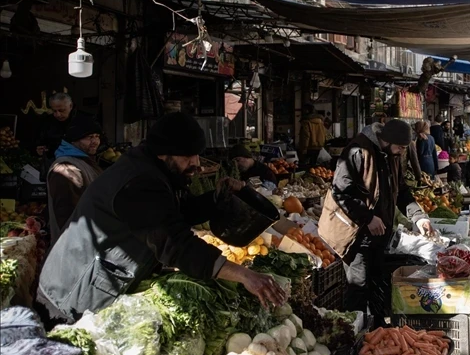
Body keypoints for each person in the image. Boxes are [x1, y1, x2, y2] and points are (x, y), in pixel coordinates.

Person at [37, 112, 285, 324]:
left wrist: (217, 198)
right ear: (164, 153)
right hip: (72, 294)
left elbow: (179, 212)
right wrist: (243, 275)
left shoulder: (156, 171)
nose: (196, 164)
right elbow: (174, 243)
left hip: (96, 283)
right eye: (188, 156)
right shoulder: (138, 182)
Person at [318, 120, 433, 321]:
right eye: (400, 147)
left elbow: (402, 190)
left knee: (378, 286)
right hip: (357, 235)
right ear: (386, 140)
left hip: (380, 236)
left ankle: (378, 332)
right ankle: (354, 338)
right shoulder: (357, 151)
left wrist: (419, 217)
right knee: (358, 287)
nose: (401, 152)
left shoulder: (391, 154)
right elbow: (340, 193)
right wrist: (368, 217)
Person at [47, 116, 104, 245]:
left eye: (97, 136)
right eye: (89, 137)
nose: (95, 141)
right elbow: (68, 216)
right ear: (74, 140)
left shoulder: (85, 161)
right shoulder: (66, 168)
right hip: (75, 246)